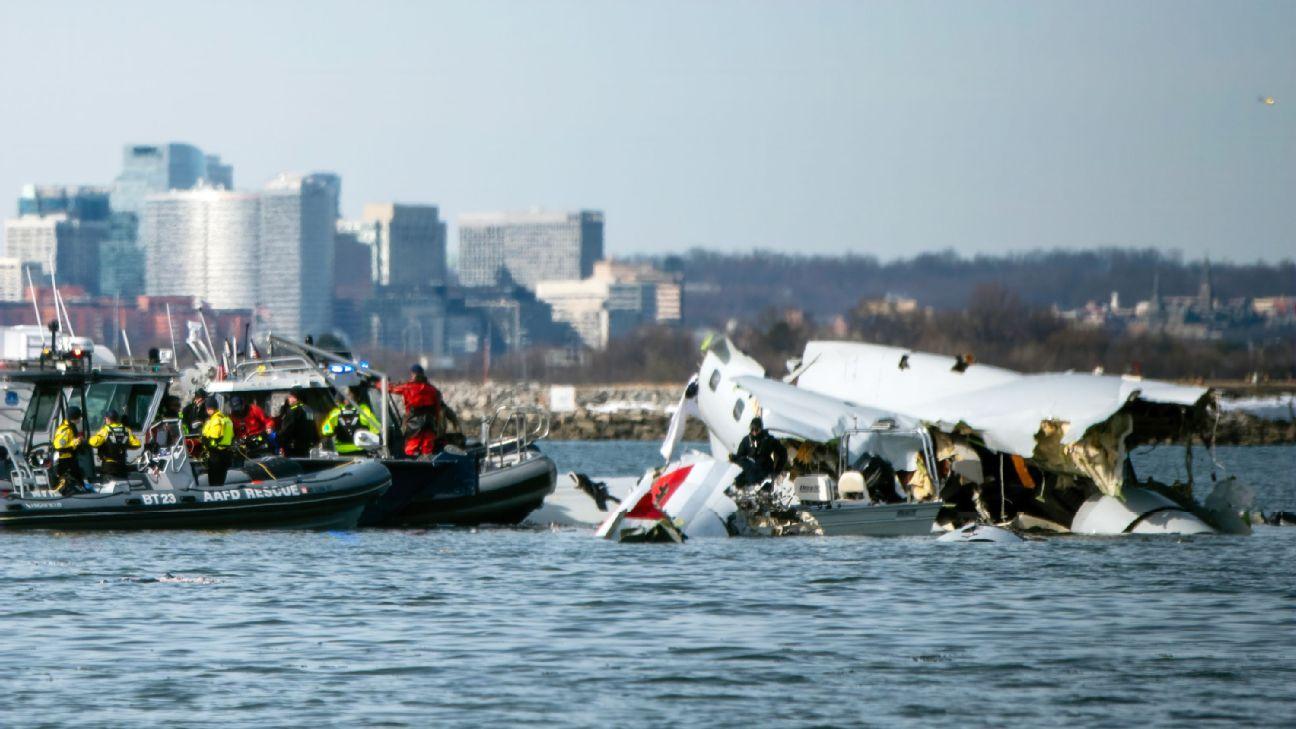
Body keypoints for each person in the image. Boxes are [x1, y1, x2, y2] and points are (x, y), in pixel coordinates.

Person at [391, 364, 442, 457]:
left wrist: (378, 384)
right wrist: (437, 424)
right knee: (427, 448)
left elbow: (392, 388)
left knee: (411, 447)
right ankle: (428, 466)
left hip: (414, 423)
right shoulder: (432, 389)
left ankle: (410, 465)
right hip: (429, 422)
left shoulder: (408, 387)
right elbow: (437, 409)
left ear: (413, 374)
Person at [729, 417, 785, 487]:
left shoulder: (768, 440)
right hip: (751, 467)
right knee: (739, 480)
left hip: (764, 469)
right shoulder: (747, 440)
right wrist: (734, 458)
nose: (754, 432)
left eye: (757, 429)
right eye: (752, 429)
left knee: (752, 478)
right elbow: (740, 455)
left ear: (761, 429)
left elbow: (783, 453)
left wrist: (777, 470)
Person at [89, 409, 141, 480]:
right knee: (123, 487)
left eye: (106, 418)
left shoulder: (106, 430)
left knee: (108, 488)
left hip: (109, 467)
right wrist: (124, 445)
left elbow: (93, 442)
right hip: (122, 466)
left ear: (109, 419)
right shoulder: (126, 430)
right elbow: (137, 444)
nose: (105, 420)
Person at [52, 406, 89, 495]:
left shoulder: (71, 427)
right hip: (65, 460)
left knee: (78, 478)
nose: (80, 419)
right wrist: (76, 442)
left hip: (71, 459)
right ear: (74, 417)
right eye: (79, 417)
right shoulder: (65, 430)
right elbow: (59, 446)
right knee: (68, 480)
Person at [201, 397, 235, 486]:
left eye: (207, 408)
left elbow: (214, 438)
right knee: (222, 479)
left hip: (216, 455)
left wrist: (204, 440)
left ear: (209, 408)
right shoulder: (226, 419)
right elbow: (232, 436)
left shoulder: (215, 420)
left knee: (214, 480)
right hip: (226, 453)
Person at [276, 387, 317, 458]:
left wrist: (278, 439)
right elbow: (313, 427)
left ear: (295, 397)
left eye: (290, 396)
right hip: (306, 446)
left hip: (293, 447)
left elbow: (287, 429)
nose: (288, 399)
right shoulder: (308, 409)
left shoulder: (294, 410)